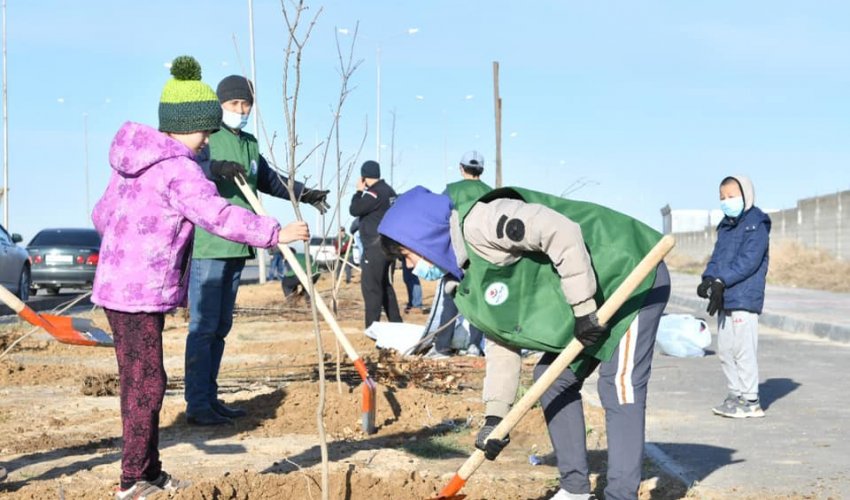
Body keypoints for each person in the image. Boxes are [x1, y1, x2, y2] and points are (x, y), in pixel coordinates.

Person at [90, 56, 309, 499]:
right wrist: (274, 232)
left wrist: (131, 241)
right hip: (139, 292)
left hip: (118, 286)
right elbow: (218, 215)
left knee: (142, 379)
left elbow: (100, 216)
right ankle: (134, 480)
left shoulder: (133, 162)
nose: (209, 139)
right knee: (146, 384)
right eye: (205, 131)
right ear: (185, 125)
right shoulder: (178, 169)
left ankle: (148, 471)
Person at [379, 185, 670, 500]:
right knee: (552, 378)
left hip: (630, 273)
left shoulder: (482, 222)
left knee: (619, 386)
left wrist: (584, 309)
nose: (410, 267)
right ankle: (574, 490)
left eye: (407, 256)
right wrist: (495, 417)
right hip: (593, 296)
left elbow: (559, 230)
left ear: (424, 236)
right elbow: (502, 340)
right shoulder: (463, 280)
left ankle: (621, 495)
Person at [184, 74, 330, 426]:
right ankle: (197, 403)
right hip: (210, 243)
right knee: (203, 326)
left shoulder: (248, 143)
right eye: (234, 104)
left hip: (239, 244)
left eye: (246, 104)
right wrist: (214, 167)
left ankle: (210, 396)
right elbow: (188, 167)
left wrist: (304, 193)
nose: (241, 110)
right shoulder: (207, 140)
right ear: (221, 106)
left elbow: (267, 179)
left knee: (220, 325)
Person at [698, 175, 770, 419]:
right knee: (726, 349)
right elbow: (717, 257)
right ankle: (735, 394)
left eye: (732, 196)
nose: (727, 201)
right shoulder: (726, 226)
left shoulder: (756, 224)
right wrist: (708, 278)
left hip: (744, 297)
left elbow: (749, 261)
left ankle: (750, 400)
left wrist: (722, 280)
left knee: (743, 350)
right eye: (723, 197)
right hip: (724, 296)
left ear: (746, 195)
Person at [426, 151, 492, 358]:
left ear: (461, 168)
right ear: (481, 170)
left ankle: (442, 346)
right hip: (483, 254)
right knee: (479, 300)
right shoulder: (491, 192)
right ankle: (474, 345)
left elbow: (439, 217)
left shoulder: (451, 190)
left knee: (451, 297)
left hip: (456, 253)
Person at [349, 160, 402, 328]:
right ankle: (396, 325)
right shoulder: (390, 192)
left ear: (364, 177)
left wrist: (358, 192)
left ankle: (373, 330)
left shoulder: (374, 193)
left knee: (372, 289)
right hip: (387, 247)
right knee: (385, 288)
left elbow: (355, 209)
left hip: (374, 248)